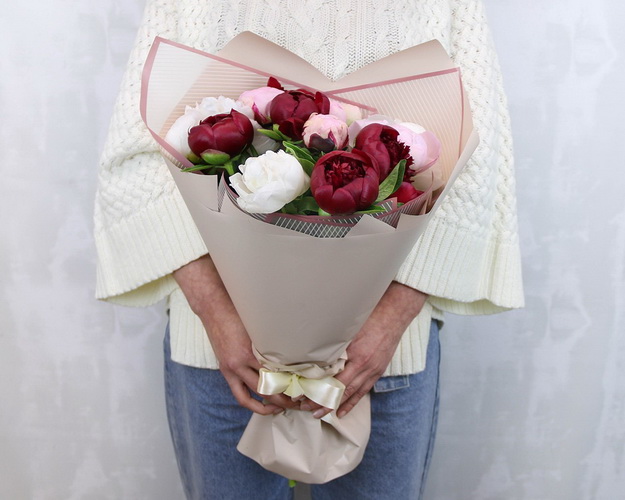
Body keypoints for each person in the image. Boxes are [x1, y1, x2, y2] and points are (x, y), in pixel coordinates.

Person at [94, 1, 524, 498]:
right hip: (222, 353)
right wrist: (216, 312)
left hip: (382, 358)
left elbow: (479, 156)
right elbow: (138, 156)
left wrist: (389, 322)